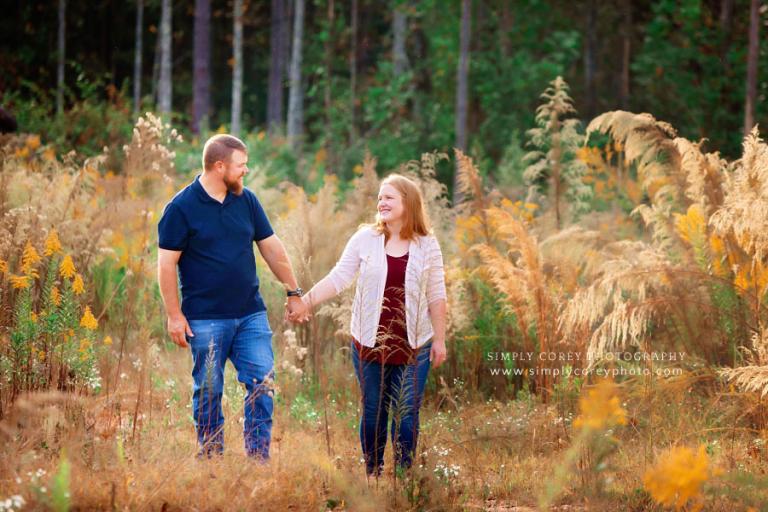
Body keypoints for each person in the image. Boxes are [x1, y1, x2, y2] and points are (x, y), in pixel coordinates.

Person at [157, 134, 309, 460]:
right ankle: (211, 460)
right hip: (205, 318)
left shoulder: (247, 200)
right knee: (209, 391)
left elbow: (271, 247)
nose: (246, 171)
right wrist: (174, 315)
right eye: (241, 165)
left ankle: (257, 461)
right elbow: (166, 264)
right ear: (219, 165)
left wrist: (294, 291)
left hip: (250, 314)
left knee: (262, 383)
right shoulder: (181, 208)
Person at [290, 174, 448, 477]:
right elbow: (339, 278)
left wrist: (439, 339)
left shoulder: (427, 244)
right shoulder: (365, 238)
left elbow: (437, 293)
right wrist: (304, 301)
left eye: (389, 197)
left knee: (405, 415)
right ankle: (373, 474)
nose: (381, 202)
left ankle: (404, 478)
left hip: (415, 345)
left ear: (408, 202)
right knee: (374, 412)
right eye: (379, 197)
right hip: (369, 343)